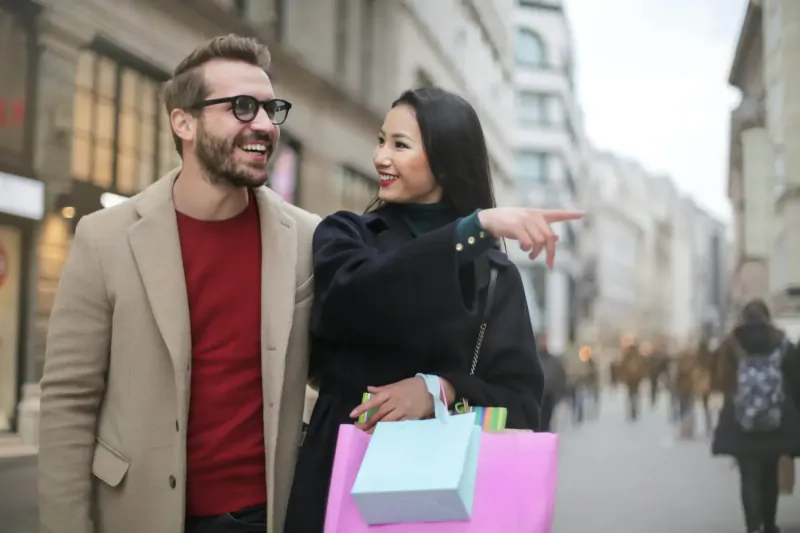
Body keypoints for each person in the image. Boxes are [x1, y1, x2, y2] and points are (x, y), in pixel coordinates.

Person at [38, 35, 319, 533]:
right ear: (183, 122)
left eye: (269, 108)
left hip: (268, 515)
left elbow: (341, 366)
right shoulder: (106, 238)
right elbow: (69, 400)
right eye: (241, 107)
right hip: (138, 512)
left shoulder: (305, 238)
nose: (263, 124)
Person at [283, 87, 583, 532]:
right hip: (340, 482)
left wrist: (438, 391)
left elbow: (521, 405)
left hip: (449, 504)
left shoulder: (496, 276)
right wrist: (471, 230)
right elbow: (357, 299)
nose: (381, 157)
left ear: (445, 160)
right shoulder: (346, 234)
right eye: (381, 140)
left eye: (400, 145)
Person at [711, 299, 800, 533]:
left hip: (741, 420)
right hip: (776, 419)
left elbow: (720, 378)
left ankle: (753, 527)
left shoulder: (731, 343)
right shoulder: (780, 341)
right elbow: (795, 380)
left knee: (748, 475)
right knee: (770, 474)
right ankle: (770, 525)